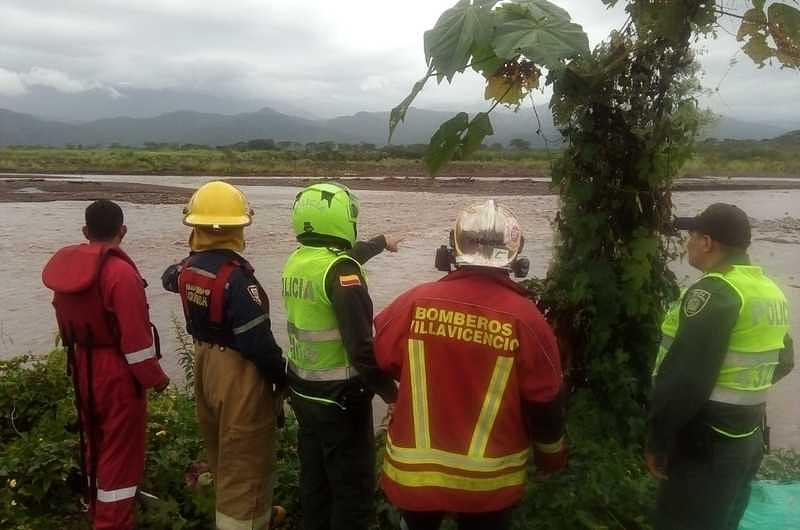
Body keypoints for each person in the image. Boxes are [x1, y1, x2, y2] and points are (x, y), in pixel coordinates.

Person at [373, 199, 568, 530]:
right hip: (490, 481)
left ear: (451, 251)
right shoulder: (526, 319)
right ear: (515, 257)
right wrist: (551, 458)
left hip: (414, 474)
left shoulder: (413, 302)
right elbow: (545, 400)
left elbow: (382, 358)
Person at [647, 203, 794, 530]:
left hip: (706, 444)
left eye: (691, 236)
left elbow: (685, 380)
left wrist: (659, 439)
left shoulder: (716, 292)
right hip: (747, 437)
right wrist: (743, 392)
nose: (687, 243)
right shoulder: (770, 292)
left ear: (707, 242)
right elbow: (784, 361)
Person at [161, 181, 285, 530]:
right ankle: (243, 521)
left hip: (205, 364)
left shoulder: (187, 270)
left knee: (219, 449)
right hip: (238, 373)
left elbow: (167, 277)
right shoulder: (239, 281)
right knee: (246, 459)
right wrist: (283, 377)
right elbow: (259, 344)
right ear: (239, 228)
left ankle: (247, 516)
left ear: (195, 226)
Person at [42, 199, 170, 530]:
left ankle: (96, 513)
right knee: (120, 454)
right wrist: (155, 379)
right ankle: (112, 523)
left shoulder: (71, 271)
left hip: (81, 364)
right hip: (117, 373)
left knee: (94, 444)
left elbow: (63, 319)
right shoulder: (121, 273)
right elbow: (137, 343)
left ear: (85, 231)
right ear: (122, 231)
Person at [281, 182, 401, 530]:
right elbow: (361, 349)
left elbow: (344, 257)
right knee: (353, 491)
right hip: (340, 398)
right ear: (340, 220)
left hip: (303, 391)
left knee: (315, 481)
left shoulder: (298, 259)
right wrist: (390, 392)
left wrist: (380, 243)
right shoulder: (343, 274)